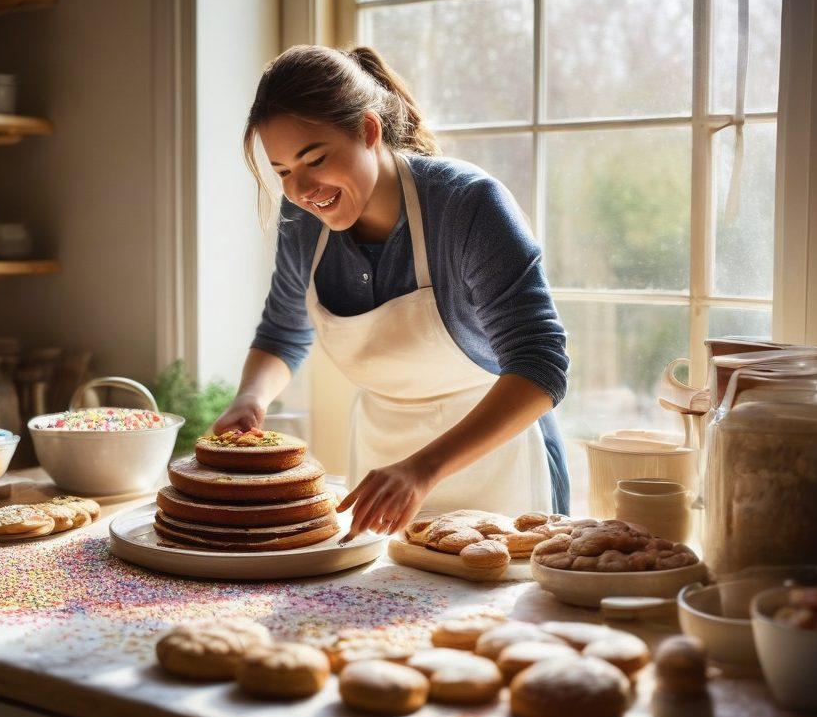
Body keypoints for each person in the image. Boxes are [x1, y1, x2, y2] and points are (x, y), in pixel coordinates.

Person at [213, 45, 569, 541]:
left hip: (497, 468)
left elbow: (541, 367)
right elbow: (281, 334)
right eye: (283, 172)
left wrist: (422, 470)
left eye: (314, 159)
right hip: (382, 471)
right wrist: (250, 399)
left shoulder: (467, 205)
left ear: (369, 130)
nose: (301, 190)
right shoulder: (301, 225)